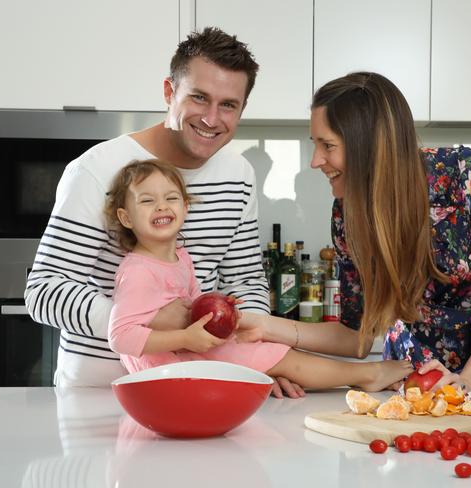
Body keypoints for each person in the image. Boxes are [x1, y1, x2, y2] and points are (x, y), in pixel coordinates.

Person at [24, 27, 299, 395]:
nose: (212, 118)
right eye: (199, 98)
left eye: (228, 105)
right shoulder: (97, 169)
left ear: (242, 109)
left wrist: (257, 358)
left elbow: (245, 281)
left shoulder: (239, 176)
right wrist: (148, 323)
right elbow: (45, 291)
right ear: (170, 91)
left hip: (197, 385)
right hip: (100, 389)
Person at [238, 72, 471, 391]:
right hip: (409, 384)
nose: (315, 160)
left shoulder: (466, 175)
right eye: (315, 144)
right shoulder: (346, 213)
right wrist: (264, 327)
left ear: (370, 146)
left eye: (328, 145)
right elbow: (355, 337)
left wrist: (467, 384)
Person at [104, 159, 413, 391]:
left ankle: (365, 375)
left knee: (275, 354)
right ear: (125, 217)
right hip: (167, 373)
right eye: (147, 200)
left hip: (188, 360)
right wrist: (186, 337)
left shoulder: (180, 258)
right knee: (278, 355)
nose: (161, 206)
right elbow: (121, 336)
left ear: (185, 208)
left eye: (170, 198)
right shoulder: (138, 270)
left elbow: (189, 304)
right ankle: (367, 375)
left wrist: (216, 304)